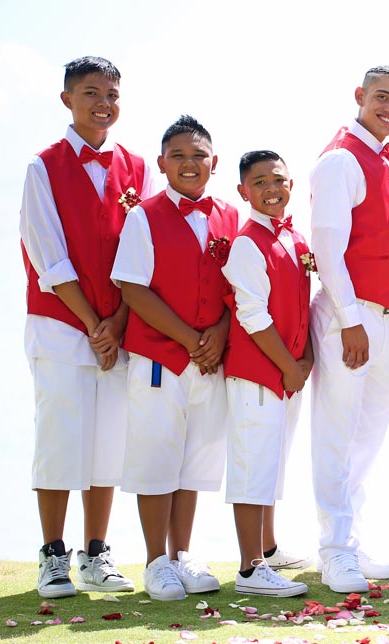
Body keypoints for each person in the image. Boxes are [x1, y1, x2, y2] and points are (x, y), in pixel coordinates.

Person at [19, 56, 151, 598]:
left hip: (116, 331)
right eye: (92, 92)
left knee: (108, 445)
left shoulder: (140, 168)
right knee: (59, 439)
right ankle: (53, 556)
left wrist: (117, 322)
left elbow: (141, 259)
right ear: (67, 100)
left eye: (113, 94)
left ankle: (96, 553)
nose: (104, 103)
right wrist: (94, 323)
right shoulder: (41, 167)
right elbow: (47, 256)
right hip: (60, 325)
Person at [112, 114, 238, 601]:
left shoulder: (231, 215)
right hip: (161, 358)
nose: (190, 163)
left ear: (215, 162)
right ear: (162, 163)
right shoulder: (144, 215)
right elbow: (132, 287)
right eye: (179, 156)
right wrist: (189, 338)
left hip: (210, 360)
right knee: (156, 457)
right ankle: (154, 561)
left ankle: (182, 554)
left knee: (195, 460)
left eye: (199, 155)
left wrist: (221, 333)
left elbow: (239, 289)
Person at [309, 66, 389, 593]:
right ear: (359, 96)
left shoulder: (384, 159)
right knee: (337, 432)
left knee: (368, 436)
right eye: (381, 98)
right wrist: (350, 320)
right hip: (352, 316)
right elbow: (327, 245)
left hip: (386, 315)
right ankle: (333, 550)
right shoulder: (341, 158)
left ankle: (352, 539)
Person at [221, 150, 313, 597]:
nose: (270, 188)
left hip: (287, 375)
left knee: (272, 465)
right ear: (243, 192)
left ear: (290, 182)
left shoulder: (293, 239)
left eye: (277, 179)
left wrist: (307, 358)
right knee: (252, 466)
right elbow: (252, 315)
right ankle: (250, 568)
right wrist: (288, 368)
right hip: (258, 374)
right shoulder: (246, 243)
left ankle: (269, 549)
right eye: (259, 183)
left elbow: (303, 305)